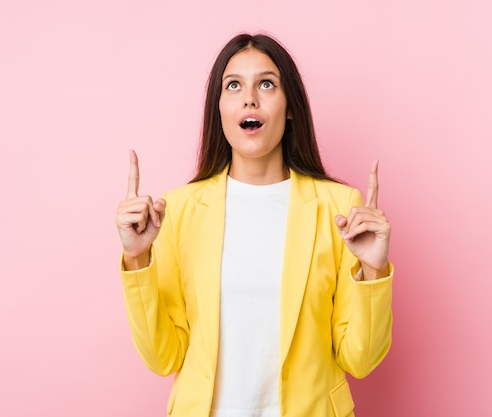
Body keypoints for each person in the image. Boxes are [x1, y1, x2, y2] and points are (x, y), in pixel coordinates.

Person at [115, 33, 393, 417]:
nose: (250, 98)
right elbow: (164, 357)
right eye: (234, 85)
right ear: (219, 108)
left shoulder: (340, 208)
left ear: (290, 106)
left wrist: (375, 269)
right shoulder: (177, 210)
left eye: (266, 83)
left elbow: (360, 359)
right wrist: (136, 258)